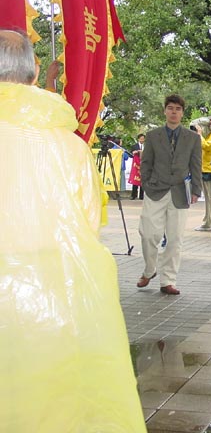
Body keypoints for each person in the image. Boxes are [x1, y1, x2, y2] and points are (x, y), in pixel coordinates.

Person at [0, 29, 145, 431]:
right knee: (49, 405)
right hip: (51, 293)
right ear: (33, 75)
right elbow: (87, 224)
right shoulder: (70, 146)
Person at [136, 94, 202, 295]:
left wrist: (196, 189)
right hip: (155, 190)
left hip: (180, 192)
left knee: (175, 239)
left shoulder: (192, 138)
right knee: (149, 234)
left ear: (182, 113)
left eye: (178, 109)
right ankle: (150, 270)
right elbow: (146, 163)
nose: (174, 112)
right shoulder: (153, 135)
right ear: (165, 111)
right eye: (171, 108)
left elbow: (196, 165)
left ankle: (168, 280)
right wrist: (147, 184)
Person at [130, 133, 145, 199]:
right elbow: (131, 154)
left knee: (142, 180)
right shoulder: (134, 146)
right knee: (135, 179)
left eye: (143, 139)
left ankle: (141, 196)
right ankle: (133, 195)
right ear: (138, 139)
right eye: (141, 139)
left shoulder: (147, 146)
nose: (142, 140)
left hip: (144, 164)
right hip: (136, 165)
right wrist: (135, 152)